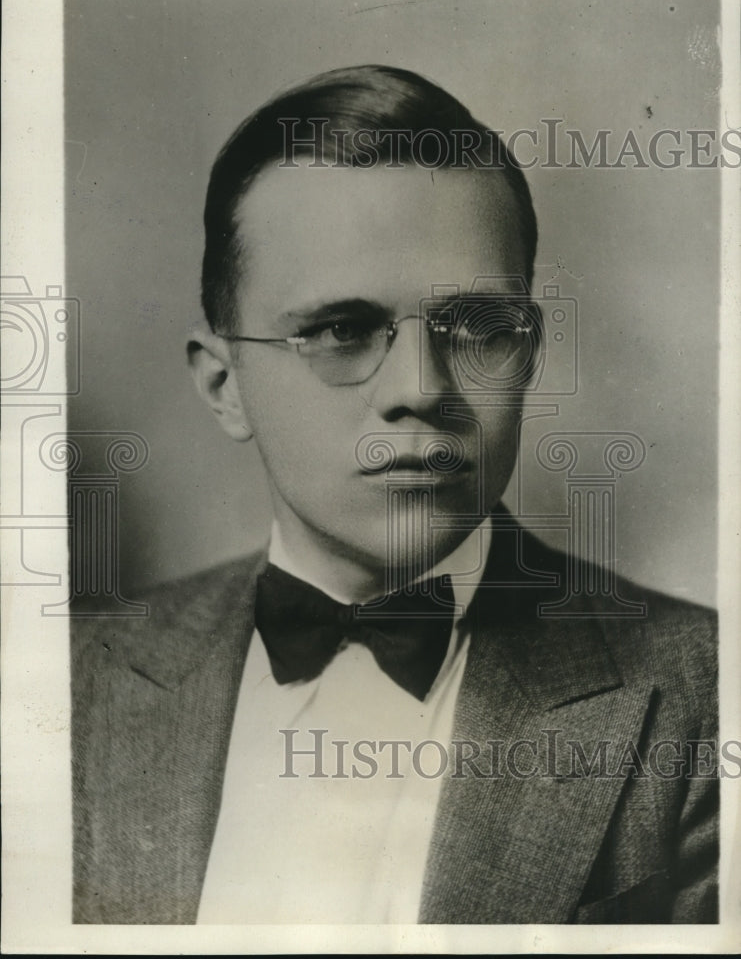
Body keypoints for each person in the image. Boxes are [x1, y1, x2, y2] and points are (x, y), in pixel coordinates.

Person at [71, 65, 718, 925]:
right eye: (342, 329)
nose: (420, 388)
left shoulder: (705, 698)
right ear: (224, 383)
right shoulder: (63, 688)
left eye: (479, 329)